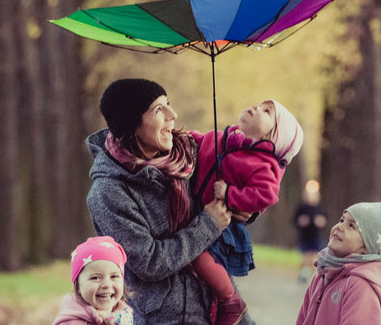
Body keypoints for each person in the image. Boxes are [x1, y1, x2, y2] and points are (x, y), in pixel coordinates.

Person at [85, 78, 253, 325]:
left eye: (168, 104)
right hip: (163, 318)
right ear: (132, 126)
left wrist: (240, 206)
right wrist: (208, 224)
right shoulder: (108, 191)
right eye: (158, 110)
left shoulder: (188, 156)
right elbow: (149, 262)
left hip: (218, 308)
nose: (172, 115)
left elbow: (228, 191)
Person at [191, 99, 304, 325]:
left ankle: (230, 300)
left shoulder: (262, 164)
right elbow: (203, 142)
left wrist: (230, 193)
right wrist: (188, 138)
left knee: (198, 257)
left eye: (266, 111)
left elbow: (265, 195)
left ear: (274, 136)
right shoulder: (226, 140)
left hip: (223, 228)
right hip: (200, 216)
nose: (256, 107)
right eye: (259, 104)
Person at [295, 202, 381, 325]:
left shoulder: (362, 287)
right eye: (341, 220)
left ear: (368, 246)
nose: (339, 227)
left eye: (351, 226)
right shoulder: (322, 273)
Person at [53, 236, 134, 325]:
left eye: (114, 276)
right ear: (78, 286)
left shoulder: (124, 314)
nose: (107, 284)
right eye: (95, 278)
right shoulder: (72, 322)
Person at [293, 180, 327, 282]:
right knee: (305, 257)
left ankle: (314, 277)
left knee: (314, 257)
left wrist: (320, 222)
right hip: (304, 236)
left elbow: (324, 220)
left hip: (315, 236)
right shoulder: (302, 208)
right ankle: (303, 274)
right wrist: (301, 221)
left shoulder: (319, 208)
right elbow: (295, 220)